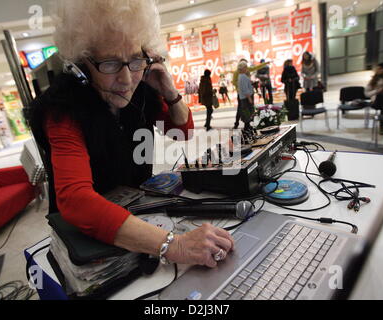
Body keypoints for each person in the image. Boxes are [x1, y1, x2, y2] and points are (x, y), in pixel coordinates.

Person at [28, 0, 234, 269]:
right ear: (82, 64)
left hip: (139, 214)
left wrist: (170, 93)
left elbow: (182, 132)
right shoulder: (62, 111)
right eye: (110, 63)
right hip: (89, 237)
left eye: (135, 60)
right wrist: (176, 245)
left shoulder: (145, 85)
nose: (126, 80)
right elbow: (75, 201)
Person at [232, 59, 268, 129]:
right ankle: (238, 123)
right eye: (245, 66)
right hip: (243, 94)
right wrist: (241, 86)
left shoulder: (243, 73)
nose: (247, 68)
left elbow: (255, 68)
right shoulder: (238, 74)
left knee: (247, 109)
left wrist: (265, 63)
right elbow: (235, 83)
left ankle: (247, 124)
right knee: (242, 109)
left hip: (246, 93)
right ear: (242, 67)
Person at [237, 61, 255, 132]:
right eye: (245, 67)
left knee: (247, 113)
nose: (246, 68)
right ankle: (247, 128)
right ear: (243, 68)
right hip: (246, 98)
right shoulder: (243, 77)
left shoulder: (241, 76)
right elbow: (245, 89)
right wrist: (249, 98)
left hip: (244, 98)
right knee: (248, 113)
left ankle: (247, 127)